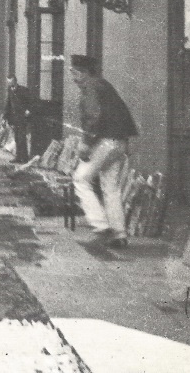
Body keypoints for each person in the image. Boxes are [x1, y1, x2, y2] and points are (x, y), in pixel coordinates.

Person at [70, 54, 138, 249]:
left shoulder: (90, 87)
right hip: (119, 142)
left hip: (105, 141)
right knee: (111, 187)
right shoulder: (103, 85)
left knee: (80, 179)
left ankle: (101, 227)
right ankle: (119, 234)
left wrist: (86, 143)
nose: (73, 78)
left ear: (83, 73)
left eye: (74, 73)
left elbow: (93, 117)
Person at [4, 77, 37, 163]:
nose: (9, 83)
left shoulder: (23, 90)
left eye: (11, 81)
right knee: (17, 138)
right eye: (8, 82)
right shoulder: (10, 90)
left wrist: (28, 110)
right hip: (14, 118)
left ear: (15, 81)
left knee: (22, 138)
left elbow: (32, 101)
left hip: (23, 117)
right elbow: (8, 104)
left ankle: (24, 158)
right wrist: (5, 117)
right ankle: (18, 158)